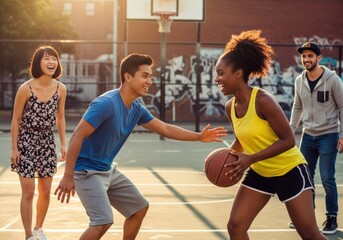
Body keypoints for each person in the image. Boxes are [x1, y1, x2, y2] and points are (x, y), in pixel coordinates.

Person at [54, 53, 227, 240]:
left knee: (138, 209)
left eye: (150, 77)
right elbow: (78, 135)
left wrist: (199, 137)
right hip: (87, 171)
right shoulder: (106, 104)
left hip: (106, 170)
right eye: (145, 76)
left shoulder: (136, 108)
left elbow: (165, 128)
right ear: (128, 77)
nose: (150, 81)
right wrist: (68, 176)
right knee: (102, 221)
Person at [214, 30, 327, 240]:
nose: (217, 78)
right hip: (260, 172)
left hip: (289, 170)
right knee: (235, 226)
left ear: (238, 73)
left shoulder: (263, 100)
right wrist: (229, 159)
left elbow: (288, 140)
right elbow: (242, 139)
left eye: (221, 73)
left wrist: (250, 159)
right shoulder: (230, 107)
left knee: (309, 233)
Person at [10, 45, 67, 240]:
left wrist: (63, 145)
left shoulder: (61, 89)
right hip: (25, 141)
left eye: (54, 58)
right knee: (28, 192)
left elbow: (60, 118)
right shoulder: (25, 88)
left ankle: (38, 228)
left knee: (45, 190)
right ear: (37, 62)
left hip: (46, 142)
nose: (51, 62)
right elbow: (16, 119)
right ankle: (28, 236)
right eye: (46, 58)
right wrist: (14, 148)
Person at [289, 42, 343, 234]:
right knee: (304, 176)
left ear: (318, 58)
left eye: (310, 56)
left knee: (327, 177)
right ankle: (306, 216)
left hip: (328, 134)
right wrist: (290, 132)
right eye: (304, 56)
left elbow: (342, 107)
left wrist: (342, 135)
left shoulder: (333, 80)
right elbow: (297, 107)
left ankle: (331, 218)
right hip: (307, 135)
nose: (306, 59)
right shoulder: (299, 81)